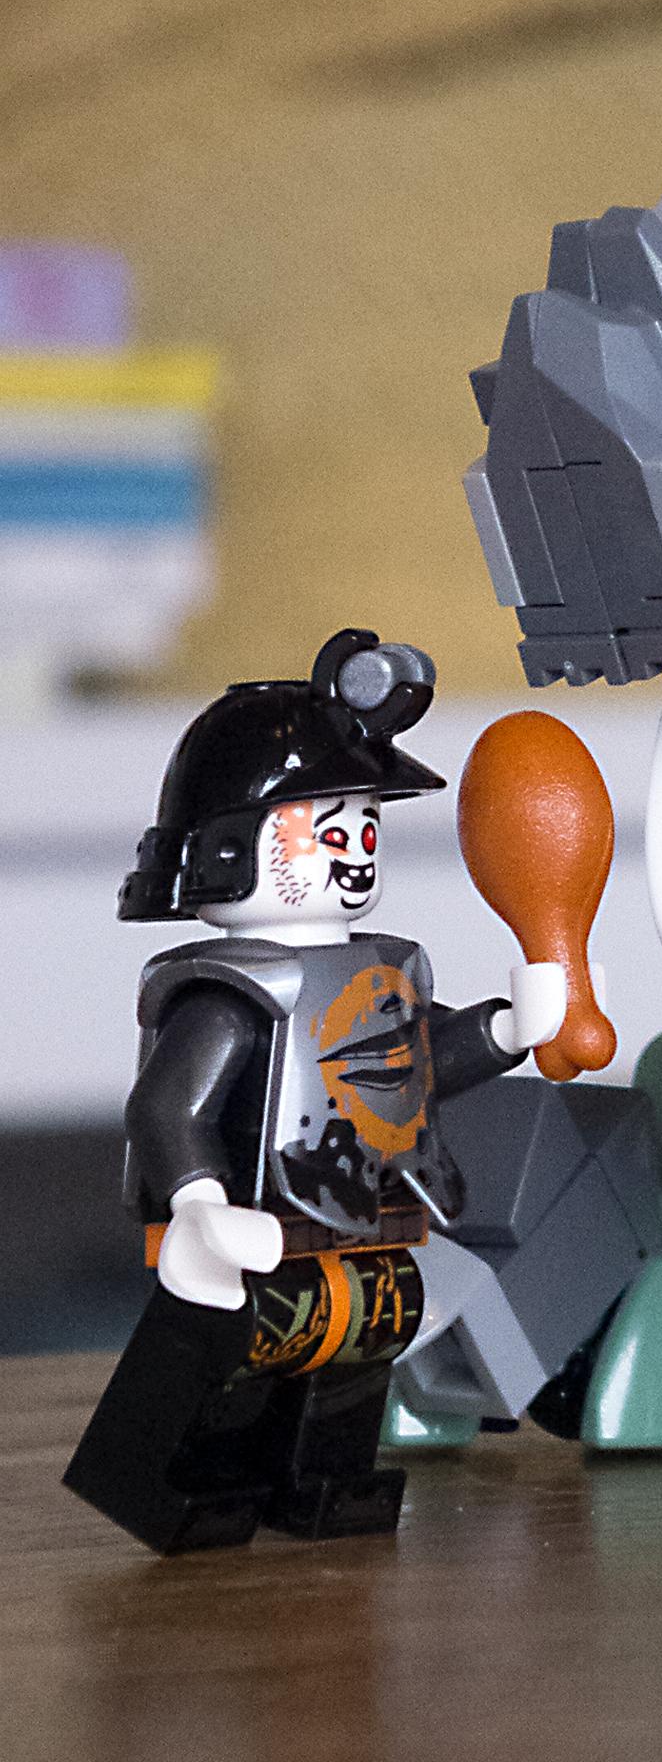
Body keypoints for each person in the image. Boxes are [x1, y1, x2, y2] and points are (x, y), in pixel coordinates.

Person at [64, 628, 564, 1552]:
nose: (356, 852)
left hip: (366, 1205)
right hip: (251, 1221)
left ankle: (324, 1480)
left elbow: (416, 1064)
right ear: (229, 849)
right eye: (330, 831)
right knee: (234, 1351)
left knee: (365, 1334)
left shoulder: (380, 969)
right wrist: (201, 1206)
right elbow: (169, 1107)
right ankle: (171, 1483)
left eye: (365, 829)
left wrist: (507, 1030)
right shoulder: (231, 990)